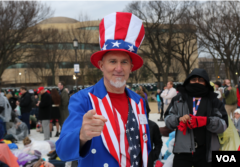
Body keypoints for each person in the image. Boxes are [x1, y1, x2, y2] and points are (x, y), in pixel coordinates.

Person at [56, 12, 151, 167]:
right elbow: (62, 151)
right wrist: (81, 136)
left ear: (131, 68)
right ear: (101, 65)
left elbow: (142, 147)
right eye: (112, 61)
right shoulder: (83, 99)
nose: (119, 68)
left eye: (124, 62)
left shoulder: (138, 101)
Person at [165, 68, 228, 166]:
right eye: (194, 80)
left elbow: (223, 124)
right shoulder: (179, 98)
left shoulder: (213, 100)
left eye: (201, 80)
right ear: (188, 81)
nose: (197, 82)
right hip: (182, 151)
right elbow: (167, 119)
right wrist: (178, 119)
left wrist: (206, 121)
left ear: (206, 83)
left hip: (206, 152)